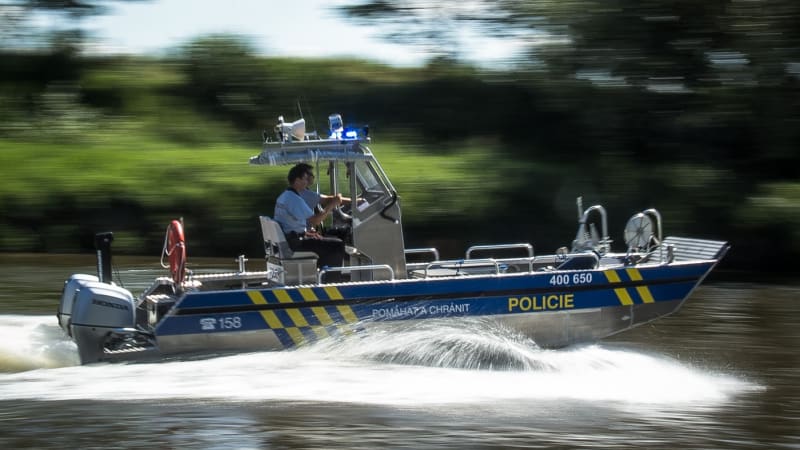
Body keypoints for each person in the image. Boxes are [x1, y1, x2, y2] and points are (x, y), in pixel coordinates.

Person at [274, 163, 346, 280]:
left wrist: (306, 233)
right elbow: (316, 221)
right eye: (305, 179)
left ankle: (321, 277)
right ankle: (331, 282)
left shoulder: (284, 196)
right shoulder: (294, 199)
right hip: (295, 244)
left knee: (326, 242)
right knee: (337, 245)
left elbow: (291, 224)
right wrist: (332, 205)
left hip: (290, 240)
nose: (307, 182)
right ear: (297, 180)